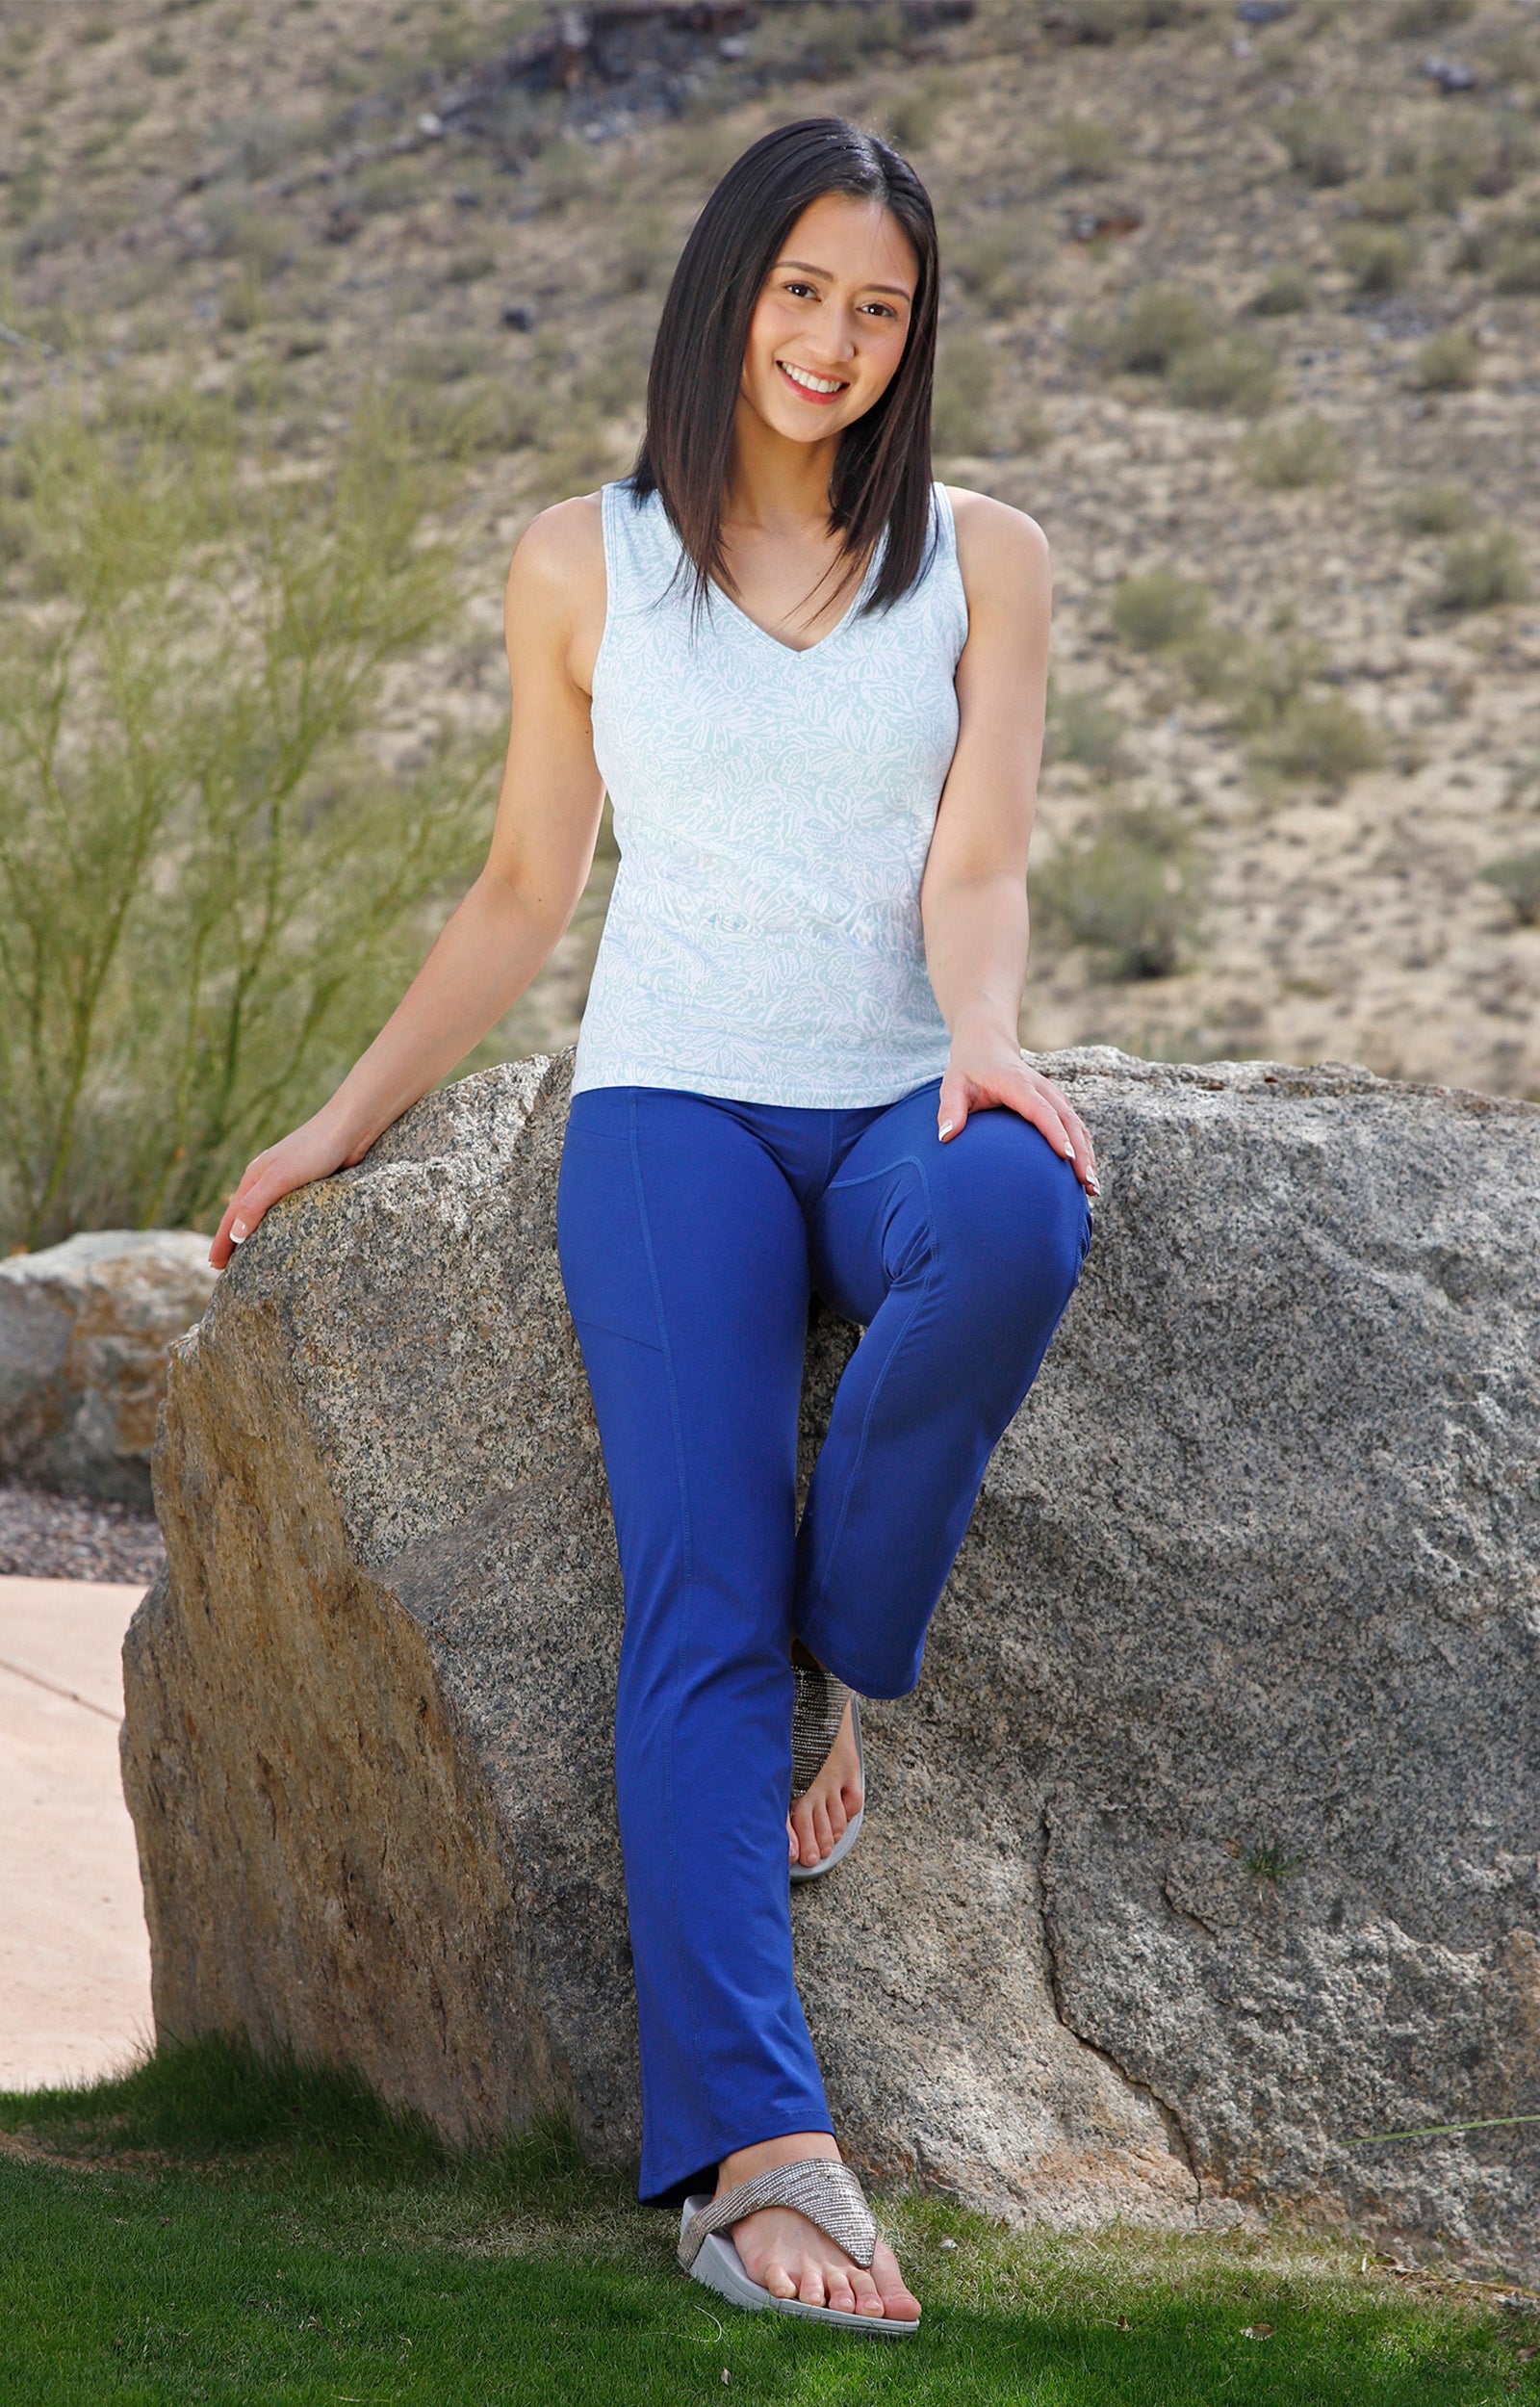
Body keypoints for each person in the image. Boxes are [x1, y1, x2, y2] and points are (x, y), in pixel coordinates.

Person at [211, 115, 1099, 2335]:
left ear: (916, 338)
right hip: (667, 1116)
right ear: (724, 290)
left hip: (898, 1087)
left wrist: (982, 1038)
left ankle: (846, 1665)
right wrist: (338, 1119)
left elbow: (972, 860)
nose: (833, 342)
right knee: (686, 1590)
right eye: (801, 291)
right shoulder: (578, 561)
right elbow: (528, 887)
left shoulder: (985, 556)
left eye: (878, 309)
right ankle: (753, 2151)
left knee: (1013, 1216)